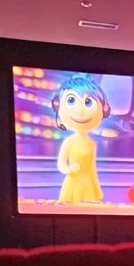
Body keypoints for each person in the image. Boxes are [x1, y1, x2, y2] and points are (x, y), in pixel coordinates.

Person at [52, 74, 110, 203]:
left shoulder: (91, 144)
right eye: (71, 101)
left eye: (88, 102)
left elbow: (92, 168)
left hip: (87, 185)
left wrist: (97, 190)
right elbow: (61, 164)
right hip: (73, 183)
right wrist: (68, 169)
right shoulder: (69, 142)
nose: (80, 112)